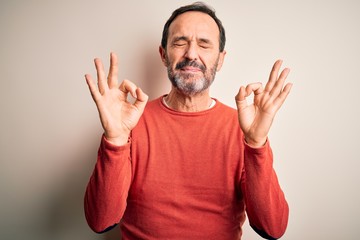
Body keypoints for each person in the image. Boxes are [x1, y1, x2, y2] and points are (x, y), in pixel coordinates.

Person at [84, 2, 292, 239]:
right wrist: (116, 139)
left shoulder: (243, 129)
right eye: (180, 42)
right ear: (163, 55)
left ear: (220, 60)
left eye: (204, 44)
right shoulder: (131, 123)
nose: (191, 54)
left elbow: (273, 227)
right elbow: (100, 221)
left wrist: (256, 143)